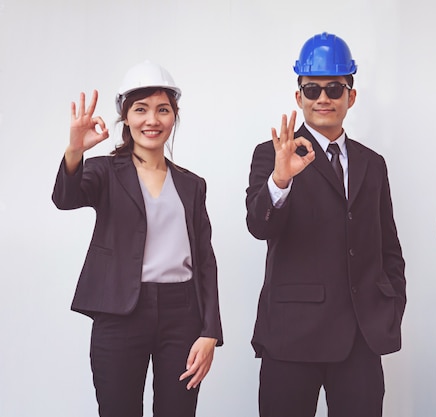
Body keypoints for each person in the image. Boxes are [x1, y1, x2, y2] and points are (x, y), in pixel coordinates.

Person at [245, 32, 406, 417]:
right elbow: (258, 225)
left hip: (360, 337)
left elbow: (388, 246)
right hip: (291, 336)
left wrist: (390, 302)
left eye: (334, 88)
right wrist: (281, 180)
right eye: (312, 89)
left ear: (351, 95)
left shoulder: (373, 163)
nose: (323, 98)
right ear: (298, 96)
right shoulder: (273, 154)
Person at [52, 61, 223, 417]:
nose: (152, 120)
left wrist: (210, 332)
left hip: (182, 315)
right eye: (140, 109)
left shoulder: (192, 185)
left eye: (163, 110)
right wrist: (75, 152)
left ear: (174, 117)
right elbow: (65, 199)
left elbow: (205, 260)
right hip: (119, 312)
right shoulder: (103, 171)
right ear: (125, 118)